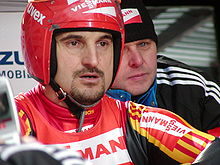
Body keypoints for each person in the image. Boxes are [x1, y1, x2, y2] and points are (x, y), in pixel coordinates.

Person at [14, 0, 220, 165]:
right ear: (39, 51)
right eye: (74, 43)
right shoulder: (14, 119)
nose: (93, 60)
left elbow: (213, 150)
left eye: (103, 43)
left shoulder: (138, 121)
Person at [107, 0, 220, 134]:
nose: (137, 61)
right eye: (121, 49)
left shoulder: (196, 88)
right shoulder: (79, 99)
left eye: (143, 44)